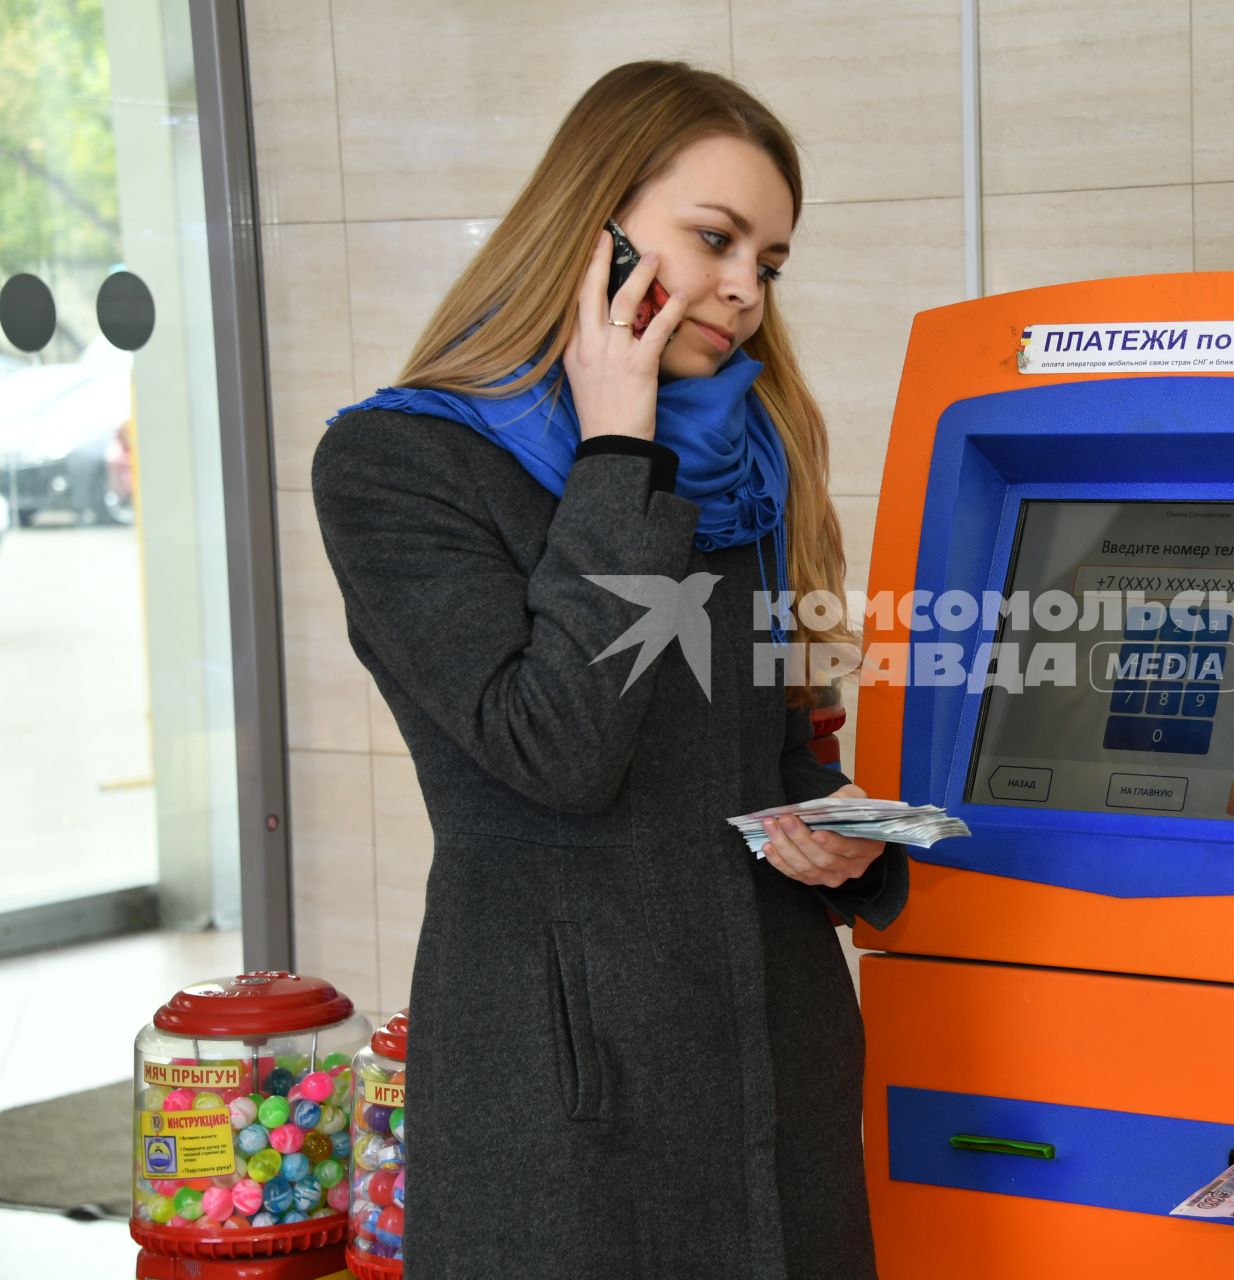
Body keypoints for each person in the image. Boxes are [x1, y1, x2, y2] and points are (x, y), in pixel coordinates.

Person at [311, 62, 907, 1279]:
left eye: (770, 261)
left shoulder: (744, 456)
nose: (744, 290)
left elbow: (771, 748)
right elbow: (555, 748)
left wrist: (857, 838)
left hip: (775, 1052)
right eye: (716, 238)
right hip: (569, 1080)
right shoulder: (395, 464)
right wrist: (617, 443)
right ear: (598, 225)